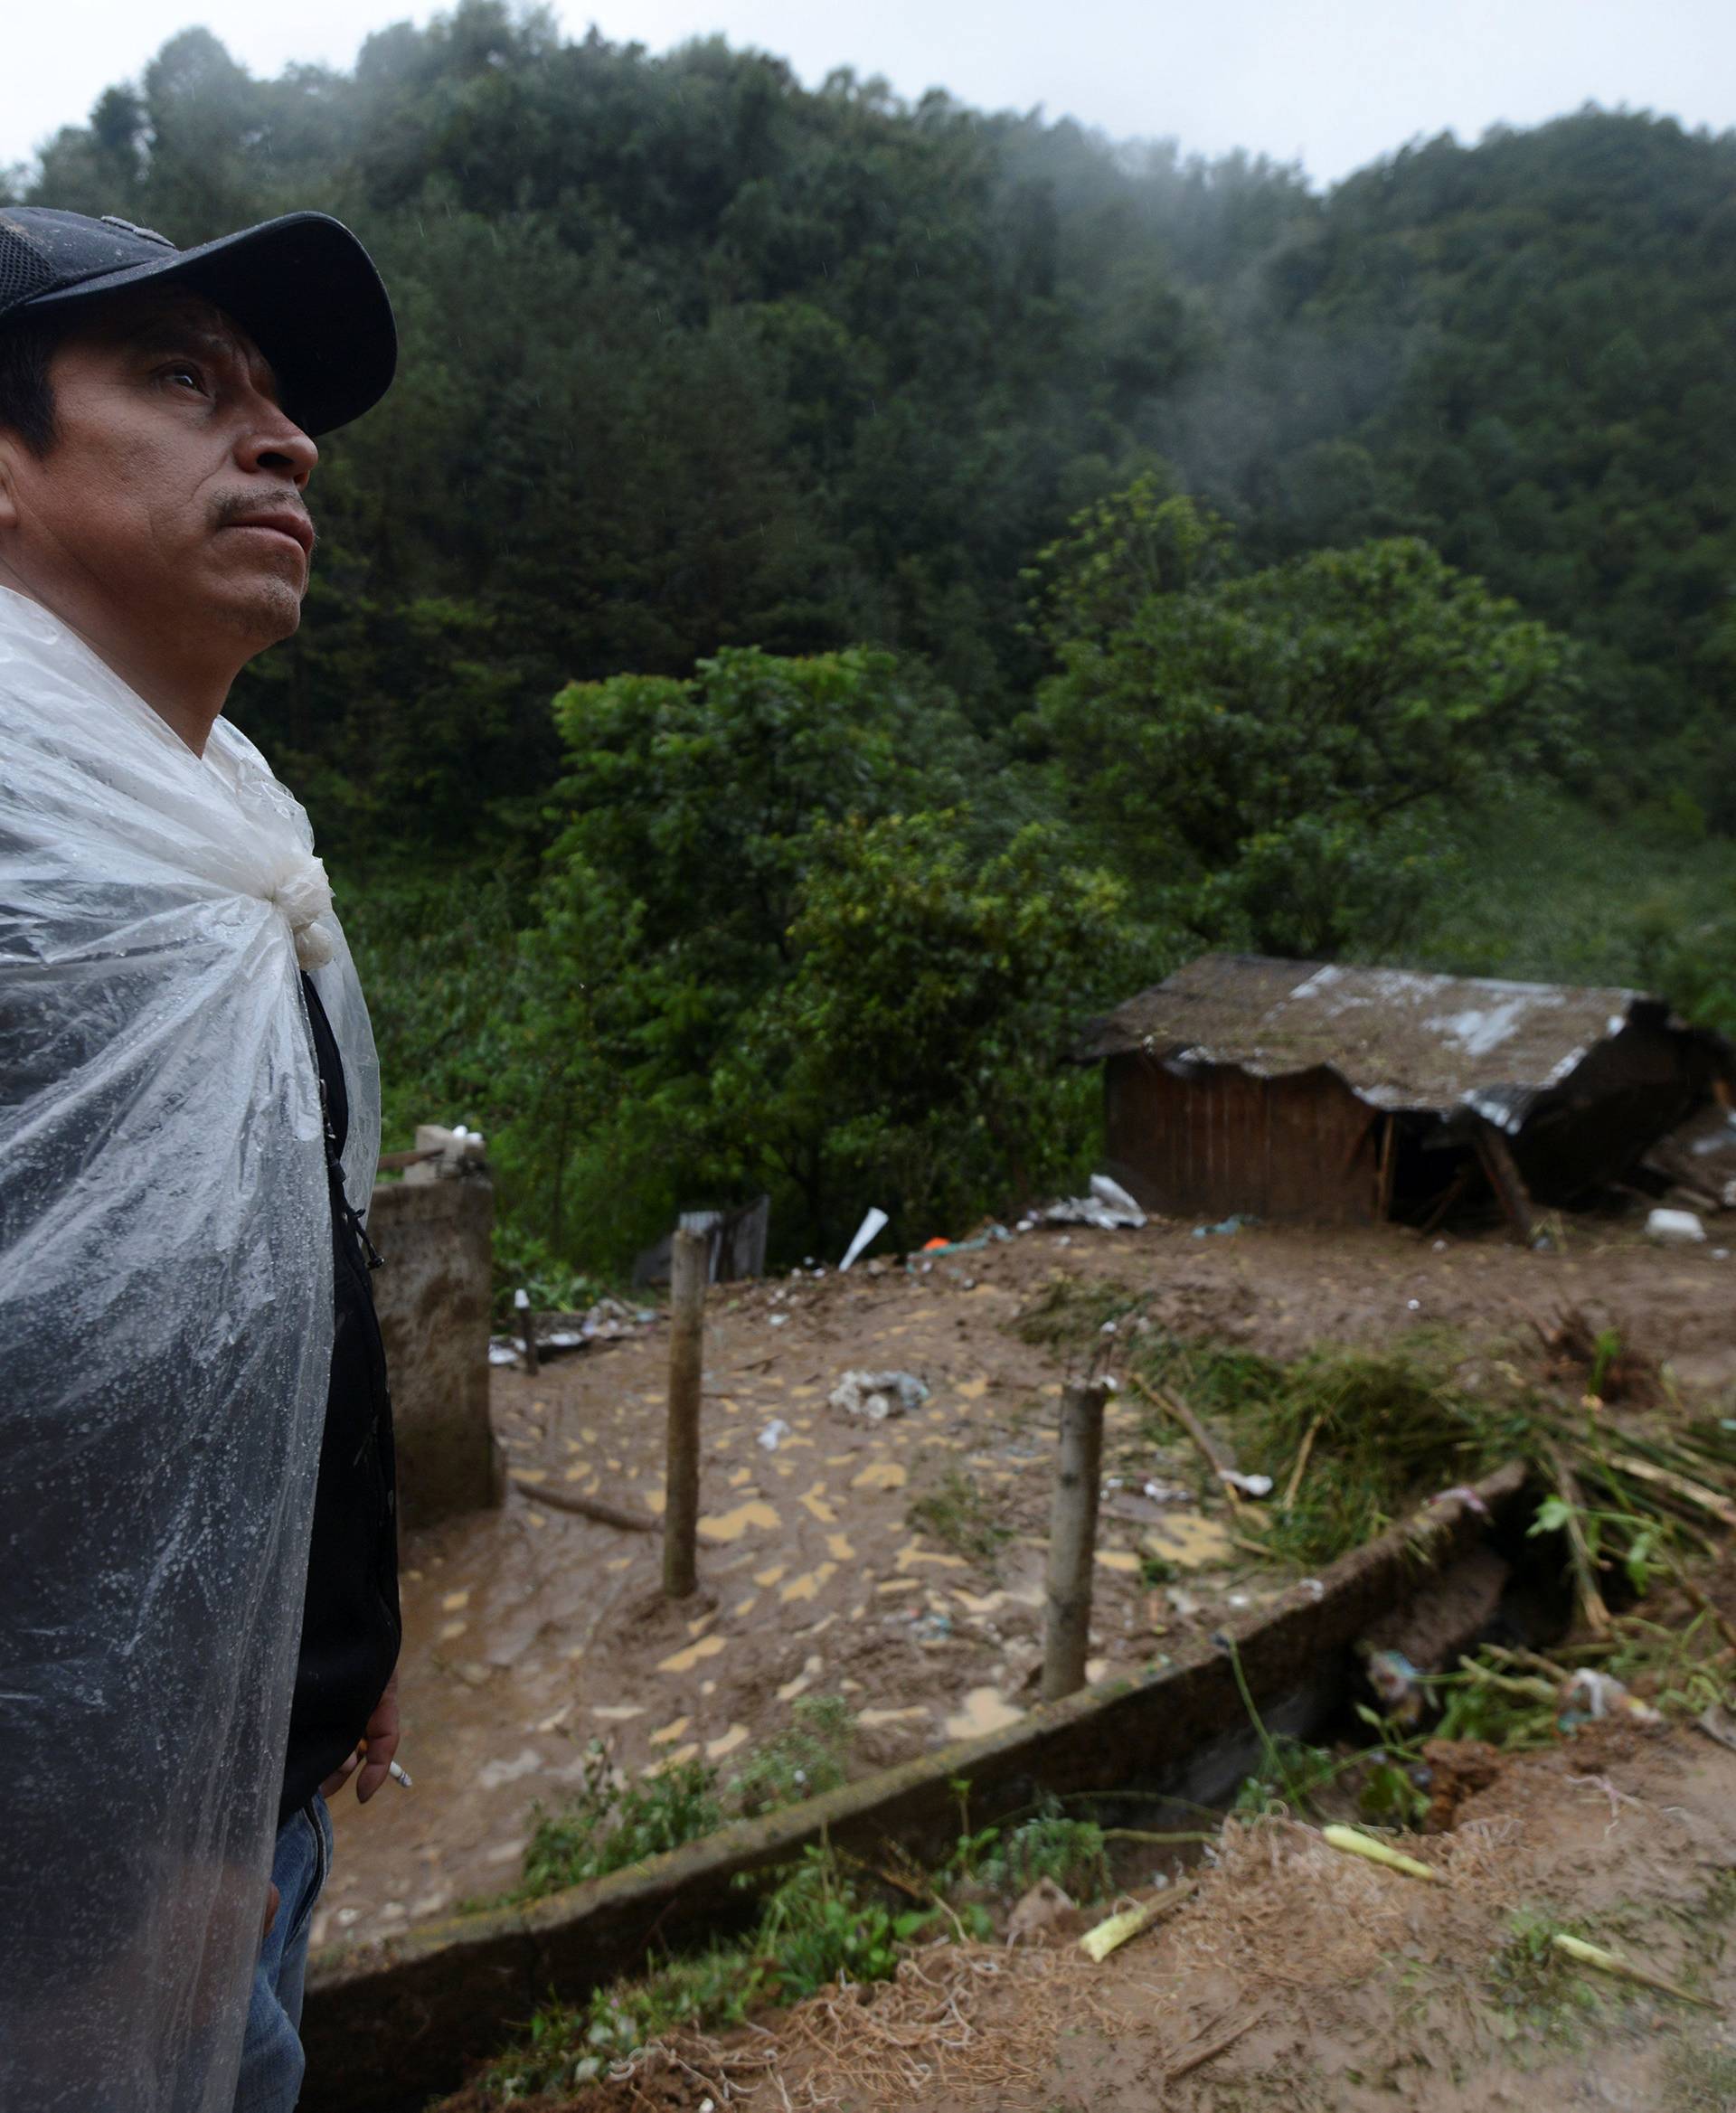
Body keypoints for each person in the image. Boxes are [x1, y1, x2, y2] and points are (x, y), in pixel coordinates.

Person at [0, 206, 401, 2112]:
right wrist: (81, 1897)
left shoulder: (226, 832)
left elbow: (287, 1282)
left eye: (276, 397)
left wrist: (332, 1645)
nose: (286, 438)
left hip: (244, 1804)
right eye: (180, 378)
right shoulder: (26, 882)